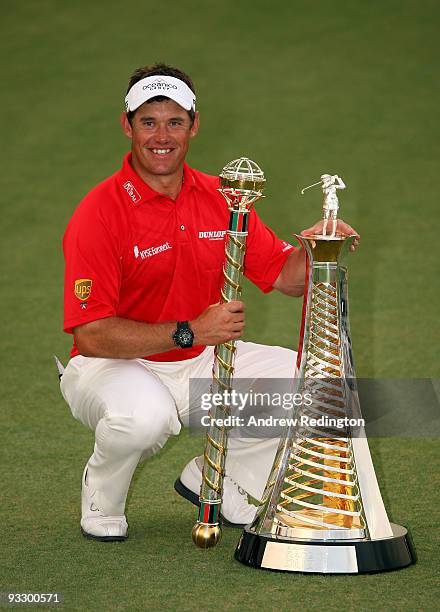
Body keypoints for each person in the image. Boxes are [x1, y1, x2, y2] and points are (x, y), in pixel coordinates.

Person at [60, 63, 359, 541]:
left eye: (175, 121)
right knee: (144, 419)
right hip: (112, 364)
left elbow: (284, 276)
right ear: (127, 126)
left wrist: (318, 250)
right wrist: (191, 330)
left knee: (317, 388)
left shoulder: (224, 197)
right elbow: (90, 334)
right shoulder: (99, 212)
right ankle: (102, 498)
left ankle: (222, 481)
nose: (162, 136)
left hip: (200, 359)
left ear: (194, 125)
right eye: (148, 122)